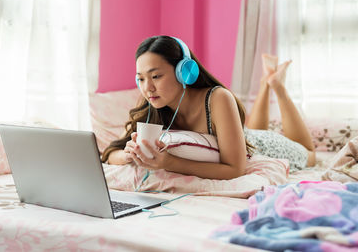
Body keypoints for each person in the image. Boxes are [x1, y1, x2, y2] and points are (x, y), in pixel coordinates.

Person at [101, 35, 315, 180]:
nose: (148, 87)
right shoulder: (151, 99)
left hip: (263, 146)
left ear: (183, 72)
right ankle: (266, 83)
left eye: (156, 76)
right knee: (252, 129)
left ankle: (276, 86)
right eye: (141, 78)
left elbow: (236, 169)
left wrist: (169, 162)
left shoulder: (218, 99)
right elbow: (111, 152)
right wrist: (129, 156)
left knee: (309, 152)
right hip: (246, 136)